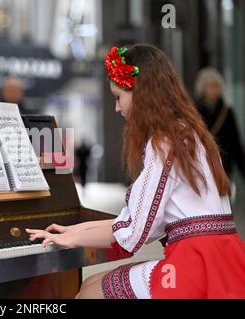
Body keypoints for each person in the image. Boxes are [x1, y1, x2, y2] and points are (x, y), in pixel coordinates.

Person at [26, 45, 245, 299]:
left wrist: (73, 238)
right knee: (91, 284)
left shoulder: (163, 142)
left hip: (192, 267)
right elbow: (144, 223)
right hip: (222, 259)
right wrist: (71, 233)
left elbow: (134, 232)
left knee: (88, 294)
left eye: (118, 97)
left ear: (140, 93)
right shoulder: (192, 133)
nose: (117, 108)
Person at [194, 67, 245, 189]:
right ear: (202, 88)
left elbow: (235, 143)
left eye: (216, 86)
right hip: (202, 166)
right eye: (209, 86)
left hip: (224, 167)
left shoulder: (226, 111)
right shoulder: (194, 111)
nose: (213, 90)